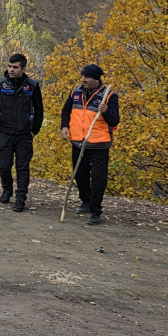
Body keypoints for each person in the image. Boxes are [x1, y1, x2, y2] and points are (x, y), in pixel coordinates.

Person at [0, 53, 44, 212]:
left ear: (23, 68)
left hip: (24, 134)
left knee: (22, 167)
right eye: (9, 66)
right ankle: (7, 189)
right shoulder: (0, 84)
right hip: (5, 133)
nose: (11, 70)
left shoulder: (33, 86)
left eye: (15, 67)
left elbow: (39, 110)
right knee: (4, 165)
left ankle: (21, 198)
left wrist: (34, 131)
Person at [60, 63, 119, 226]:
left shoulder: (109, 96)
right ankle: (85, 202)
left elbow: (115, 121)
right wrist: (64, 126)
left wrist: (106, 111)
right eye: (82, 76)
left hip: (99, 144)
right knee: (80, 175)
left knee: (99, 179)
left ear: (96, 79)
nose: (83, 79)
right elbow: (66, 111)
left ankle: (95, 211)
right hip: (78, 142)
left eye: (87, 77)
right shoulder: (76, 91)